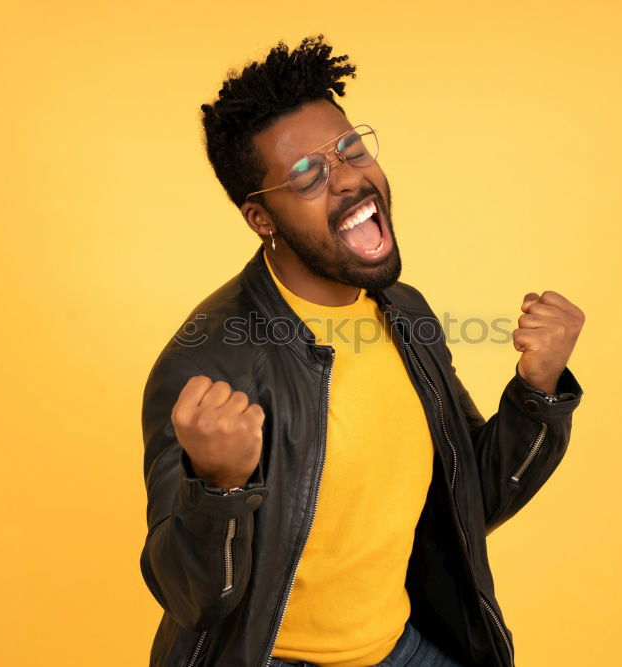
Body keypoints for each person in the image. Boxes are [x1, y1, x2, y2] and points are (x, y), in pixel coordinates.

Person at [139, 34, 585, 667]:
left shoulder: (405, 313)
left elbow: (469, 501)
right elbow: (192, 598)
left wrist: (538, 392)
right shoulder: (208, 360)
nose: (347, 177)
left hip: (399, 645)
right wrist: (217, 486)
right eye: (306, 175)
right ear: (260, 218)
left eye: (349, 148)